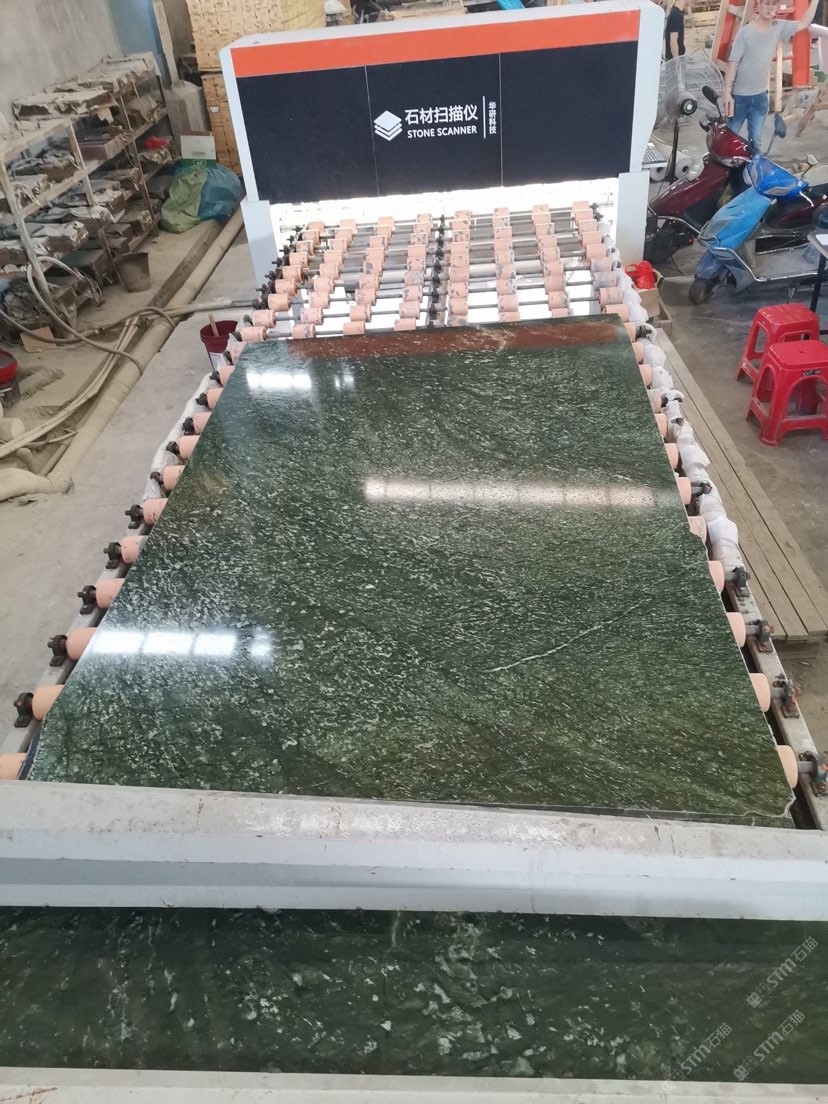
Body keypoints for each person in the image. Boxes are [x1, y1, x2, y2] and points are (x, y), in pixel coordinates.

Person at [723, 0, 820, 148]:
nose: (770, 8)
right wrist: (727, 93)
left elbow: (804, 23)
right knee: (729, 138)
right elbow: (732, 63)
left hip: (761, 96)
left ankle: (753, 163)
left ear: (778, 7)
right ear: (759, 5)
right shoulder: (745, 33)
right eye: (767, 3)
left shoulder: (778, 27)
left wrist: (815, 1)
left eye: (774, 4)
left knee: (756, 141)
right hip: (740, 96)